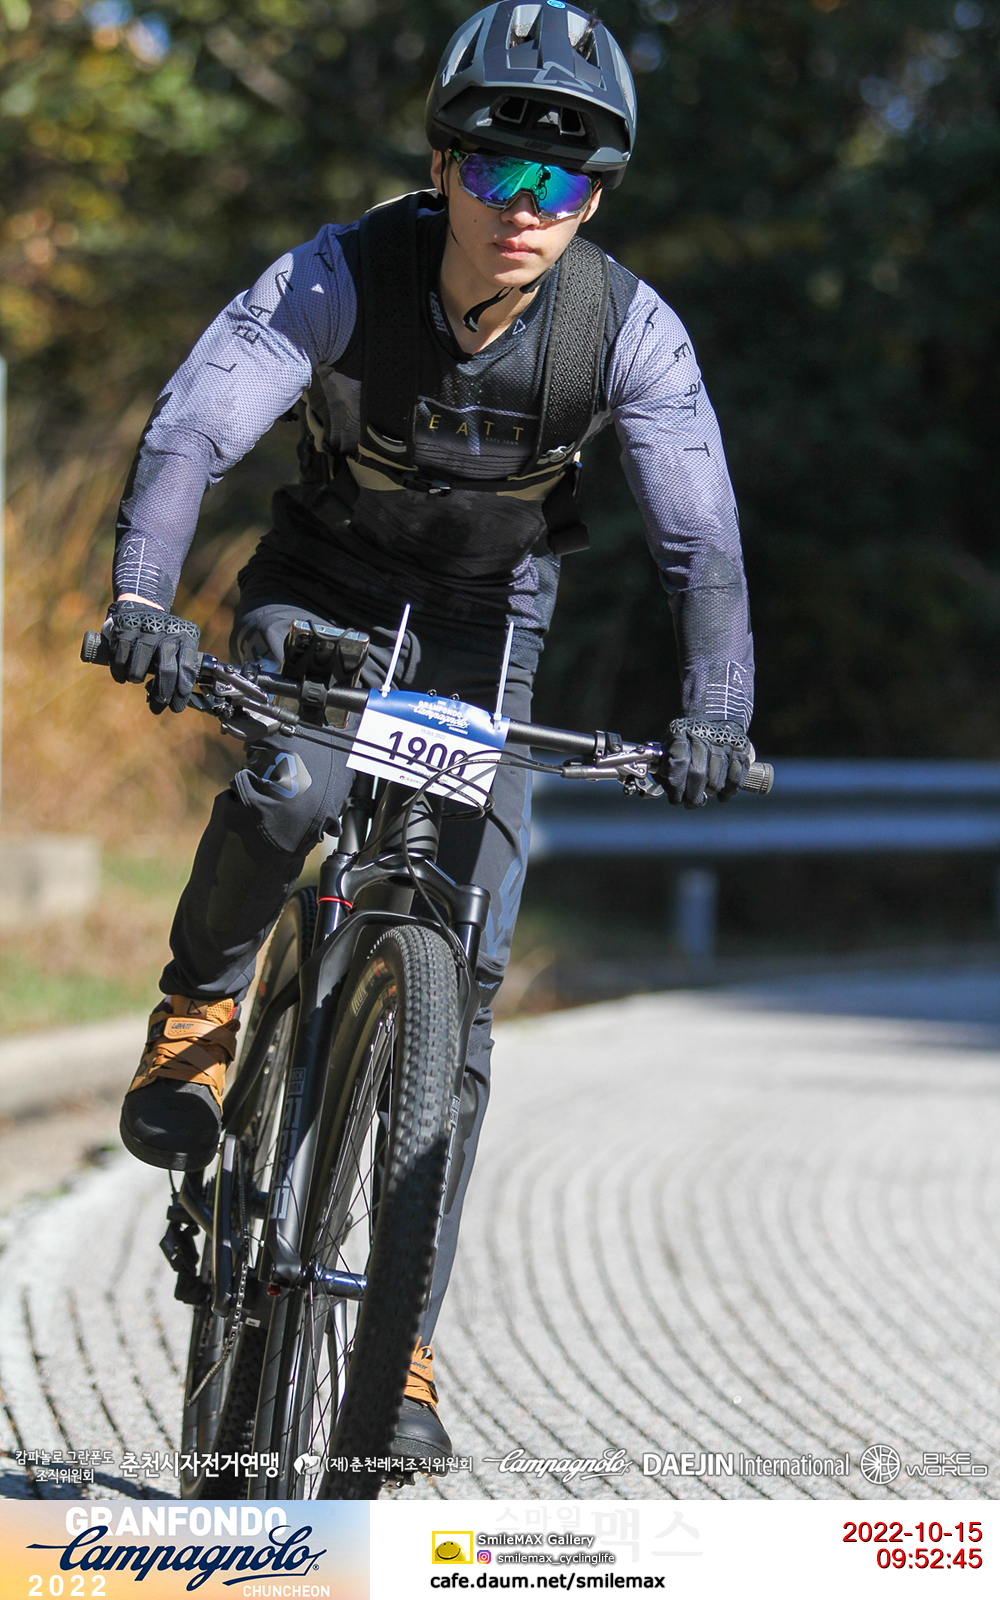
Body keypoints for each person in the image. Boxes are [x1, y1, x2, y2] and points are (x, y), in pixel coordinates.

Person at [100, 1, 755, 1469]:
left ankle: (398, 1336)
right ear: (444, 163)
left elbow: (699, 540)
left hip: (481, 628)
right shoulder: (338, 275)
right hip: (321, 592)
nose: (527, 206)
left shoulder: (627, 333)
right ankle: (200, 1016)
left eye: (564, 181)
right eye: (499, 168)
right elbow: (194, 430)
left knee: (465, 977)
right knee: (291, 788)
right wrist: (144, 599)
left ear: (597, 198)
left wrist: (717, 715)